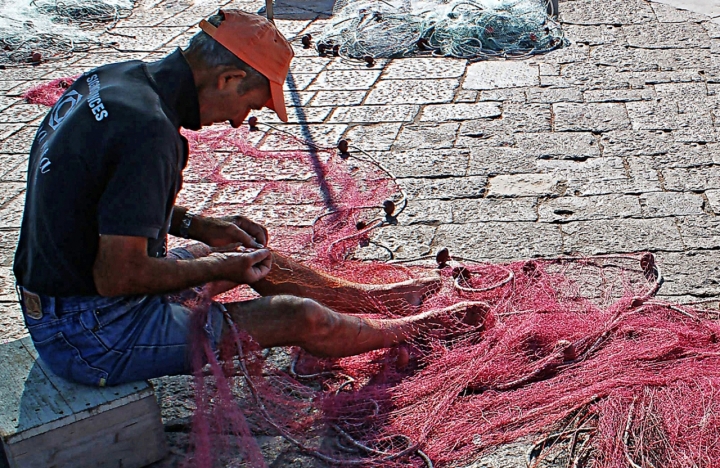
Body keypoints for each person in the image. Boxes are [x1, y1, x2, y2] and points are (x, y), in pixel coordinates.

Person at [12, 10, 482, 387]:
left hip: (64, 301)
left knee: (239, 248)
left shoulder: (117, 81)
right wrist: (224, 269)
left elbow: (102, 199)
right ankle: (411, 330)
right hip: (88, 333)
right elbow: (119, 275)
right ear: (228, 79)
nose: (239, 122)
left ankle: (375, 300)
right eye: (250, 104)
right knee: (294, 316)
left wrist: (200, 228)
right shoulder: (149, 132)